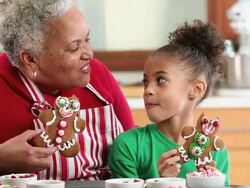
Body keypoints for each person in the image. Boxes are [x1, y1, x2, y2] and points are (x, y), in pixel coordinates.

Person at [0, 0, 135, 180]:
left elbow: (133, 145)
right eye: (74, 48)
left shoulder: (98, 75)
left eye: (87, 39)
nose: (89, 54)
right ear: (31, 59)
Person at [108, 20, 230, 185]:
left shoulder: (216, 152)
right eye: (146, 81)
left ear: (196, 89)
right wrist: (162, 183)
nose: (148, 90)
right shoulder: (128, 146)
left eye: (161, 80)